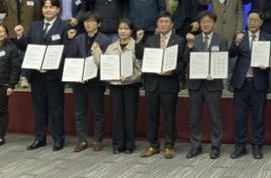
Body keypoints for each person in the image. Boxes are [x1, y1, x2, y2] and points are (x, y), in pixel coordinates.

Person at [14, 0, 70, 151]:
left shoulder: (64, 26)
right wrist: (20, 36)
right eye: (45, 7)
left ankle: (58, 139)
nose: (48, 10)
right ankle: (40, 138)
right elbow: (27, 47)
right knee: (39, 109)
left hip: (54, 75)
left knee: (56, 108)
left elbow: (66, 49)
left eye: (51, 7)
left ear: (58, 10)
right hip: (36, 74)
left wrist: (51, 65)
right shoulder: (35, 26)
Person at [136, 11, 185, 159]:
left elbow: (183, 63)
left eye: (166, 22)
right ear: (157, 24)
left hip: (169, 84)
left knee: (169, 116)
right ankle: (153, 145)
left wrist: (172, 71)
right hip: (152, 84)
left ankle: (169, 146)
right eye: (161, 22)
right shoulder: (150, 40)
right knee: (152, 116)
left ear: (172, 24)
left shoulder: (179, 40)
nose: (163, 24)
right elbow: (140, 56)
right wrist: (138, 42)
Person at [228, 10, 271, 159]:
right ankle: (240, 146)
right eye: (250, 19)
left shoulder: (268, 38)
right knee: (239, 117)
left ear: (261, 22)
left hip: (258, 83)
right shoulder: (240, 36)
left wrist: (267, 67)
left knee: (258, 117)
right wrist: (236, 42)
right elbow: (231, 53)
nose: (252, 22)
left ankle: (257, 146)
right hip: (241, 83)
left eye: (255, 20)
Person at [65, 12, 112, 152]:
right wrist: (77, 75)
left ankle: (98, 140)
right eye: (86, 21)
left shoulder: (105, 40)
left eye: (91, 21)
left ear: (98, 24)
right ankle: (82, 140)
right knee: (79, 112)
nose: (88, 24)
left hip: (96, 81)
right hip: (79, 81)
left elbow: (106, 62)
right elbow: (71, 57)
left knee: (98, 112)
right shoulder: (78, 38)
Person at [185, 11, 228, 160]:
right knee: (194, 117)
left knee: (215, 117)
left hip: (213, 84)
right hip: (195, 84)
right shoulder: (193, 39)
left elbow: (224, 61)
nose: (206, 24)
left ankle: (215, 146)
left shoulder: (221, 40)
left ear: (214, 23)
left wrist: (216, 74)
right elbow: (185, 59)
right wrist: (190, 45)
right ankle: (195, 146)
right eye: (203, 22)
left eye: (209, 21)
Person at [102, 18, 141, 154]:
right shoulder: (111, 47)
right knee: (117, 115)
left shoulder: (136, 46)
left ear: (131, 31)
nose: (123, 31)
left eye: (126, 29)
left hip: (131, 85)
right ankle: (118, 144)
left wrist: (130, 77)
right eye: (120, 29)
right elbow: (105, 66)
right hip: (115, 85)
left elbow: (140, 68)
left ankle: (130, 144)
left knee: (130, 115)